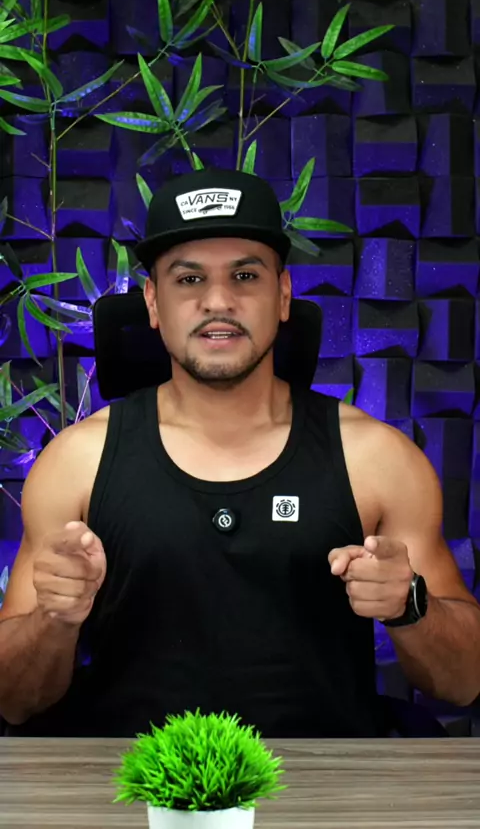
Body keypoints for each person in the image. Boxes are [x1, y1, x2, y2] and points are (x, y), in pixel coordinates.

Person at [0, 168, 479, 738]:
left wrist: (410, 604)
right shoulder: (75, 463)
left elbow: (465, 682)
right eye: (189, 279)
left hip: (323, 781)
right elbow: (14, 702)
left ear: (283, 295)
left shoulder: (377, 458)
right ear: (153, 302)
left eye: (245, 275)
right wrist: (53, 619)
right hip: (131, 782)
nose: (218, 300)